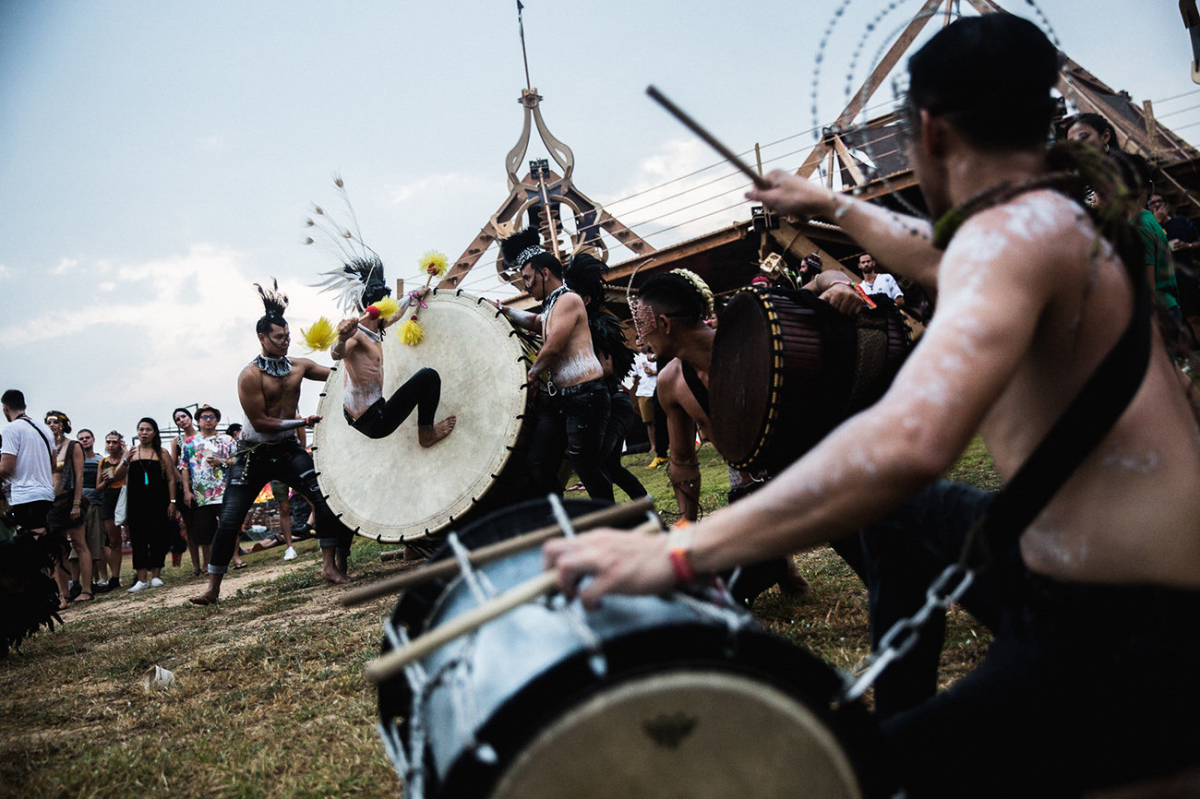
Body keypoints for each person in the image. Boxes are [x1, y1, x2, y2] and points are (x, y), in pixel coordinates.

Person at [545, 14, 1200, 796]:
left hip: (1125, 638)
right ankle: (899, 706)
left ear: (926, 130)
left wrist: (679, 550)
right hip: (1094, 583)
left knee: (840, 779)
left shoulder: (1011, 239)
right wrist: (831, 203)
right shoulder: (1054, 221)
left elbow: (907, 442)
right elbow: (935, 255)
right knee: (902, 516)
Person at [191, 280, 357, 606]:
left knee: (325, 498)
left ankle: (328, 567)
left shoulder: (299, 366)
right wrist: (302, 422)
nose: (285, 342)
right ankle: (212, 588)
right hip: (253, 454)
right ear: (262, 337)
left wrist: (350, 341)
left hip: (288, 451)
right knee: (229, 519)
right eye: (278, 338)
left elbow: (340, 373)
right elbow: (260, 423)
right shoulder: (250, 375)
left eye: (287, 337)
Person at [495, 227, 613, 500]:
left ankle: (618, 525)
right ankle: (561, 522)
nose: (525, 285)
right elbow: (538, 323)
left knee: (588, 468)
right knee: (538, 462)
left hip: (586, 396)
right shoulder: (551, 306)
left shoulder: (569, 300)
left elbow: (553, 347)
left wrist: (533, 374)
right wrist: (505, 310)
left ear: (544, 272)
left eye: (527, 278)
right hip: (563, 400)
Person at [326, 267, 456, 446]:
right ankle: (426, 434)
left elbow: (397, 312)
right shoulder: (356, 336)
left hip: (357, 413)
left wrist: (413, 296)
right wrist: (341, 339)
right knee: (429, 377)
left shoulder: (376, 326)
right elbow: (336, 354)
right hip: (374, 422)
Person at [565, 251, 649, 501]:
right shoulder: (582, 323)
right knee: (611, 467)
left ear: (587, 299)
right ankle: (647, 511)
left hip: (615, 406)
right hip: (613, 405)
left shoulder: (593, 326)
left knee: (594, 463)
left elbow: (607, 368)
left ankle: (624, 520)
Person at [178, 405, 236, 573]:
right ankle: (206, 564)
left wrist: (221, 462)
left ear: (217, 420)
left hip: (225, 490)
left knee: (229, 526)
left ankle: (234, 558)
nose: (208, 419)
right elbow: (184, 467)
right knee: (204, 531)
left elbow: (237, 461)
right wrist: (187, 491)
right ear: (198, 421)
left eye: (212, 416)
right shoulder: (190, 443)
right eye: (204, 417)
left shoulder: (228, 440)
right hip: (201, 493)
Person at [123, 417, 176, 593]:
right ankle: (141, 579)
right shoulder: (131, 453)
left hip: (158, 502)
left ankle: (156, 576)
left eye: (148, 429)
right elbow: (117, 477)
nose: (144, 433)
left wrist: (172, 502)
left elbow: (170, 479)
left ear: (154, 432)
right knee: (137, 539)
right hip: (136, 503)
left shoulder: (162, 453)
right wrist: (125, 460)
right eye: (141, 429)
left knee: (158, 537)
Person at [43, 411, 91, 606]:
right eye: (48, 422)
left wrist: (77, 503)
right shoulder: (45, 447)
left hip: (70, 499)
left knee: (79, 544)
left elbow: (79, 476)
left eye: (55, 422)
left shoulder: (73, 446)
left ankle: (87, 590)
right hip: (51, 503)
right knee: (57, 551)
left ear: (63, 424)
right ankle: (64, 595)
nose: (51, 425)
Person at [1148, 192, 1200, 349]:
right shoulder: (1149, 230)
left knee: (1195, 318)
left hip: (1186, 280)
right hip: (1165, 284)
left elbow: (1198, 241)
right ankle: (1188, 361)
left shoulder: (1182, 222)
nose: (1156, 205)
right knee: (1176, 324)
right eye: (1152, 203)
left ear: (1167, 205)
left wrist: (1187, 246)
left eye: (1159, 202)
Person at [0, 390, 55, 536]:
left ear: (5, 408)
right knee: (41, 536)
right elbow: (53, 464)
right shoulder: (45, 429)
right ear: (25, 405)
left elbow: (5, 468)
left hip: (25, 494)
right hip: (46, 493)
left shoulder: (11, 429)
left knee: (29, 539)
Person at [74, 429, 111, 593]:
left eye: (87, 437)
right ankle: (82, 582)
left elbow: (109, 480)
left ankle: (103, 579)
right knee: (78, 546)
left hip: (96, 504)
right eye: (81, 438)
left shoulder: (101, 460)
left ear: (93, 439)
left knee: (98, 545)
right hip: (78, 506)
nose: (84, 440)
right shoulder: (75, 460)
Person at [169, 408, 202, 574]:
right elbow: (173, 464)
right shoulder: (177, 441)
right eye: (177, 419)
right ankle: (196, 565)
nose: (181, 420)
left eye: (183, 416)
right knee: (189, 527)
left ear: (190, 417)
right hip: (185, 486)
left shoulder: (203, 435)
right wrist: (184, 481)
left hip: (204, 484)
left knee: (207, 524)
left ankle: (211, 561)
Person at [95, 431, 126, 589]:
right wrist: (107, 481)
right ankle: (115, 576)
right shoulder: (103, 462)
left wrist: (126, 454)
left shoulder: (127, 459)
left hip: (126, 496)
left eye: (114, 442)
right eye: (108, 442)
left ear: (121, 443)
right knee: (114, 540)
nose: (111, 445)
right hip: (109, 497)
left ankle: (140, 573)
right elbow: (98, 488)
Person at [632, 344, 665, 470]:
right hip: (643, 392)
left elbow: (665, 368)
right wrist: (635, 379)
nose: (640, 347)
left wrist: (654, 372)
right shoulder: (635, 358)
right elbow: (634, 375)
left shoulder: (658, 353)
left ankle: (670, 444)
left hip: (659, 388)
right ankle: (653, 446)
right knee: (649, 421)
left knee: (664, 418)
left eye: (642, 344)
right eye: (638, 345)